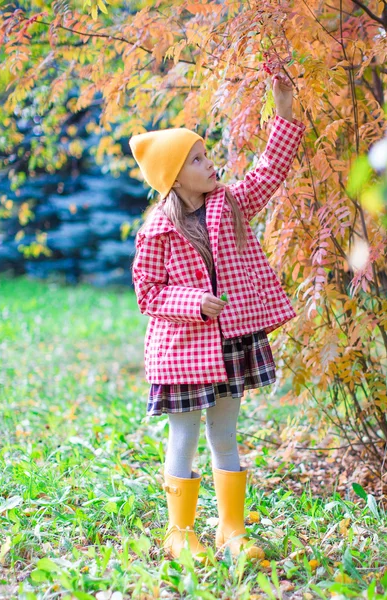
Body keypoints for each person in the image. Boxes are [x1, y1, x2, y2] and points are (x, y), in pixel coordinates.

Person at [129, 72, 306, 563]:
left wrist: (284, 109)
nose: (212, 166)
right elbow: (148, 294)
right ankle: (179, 532)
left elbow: (269, 172)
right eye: (199, 160)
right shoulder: (157, 231)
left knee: (225, 432)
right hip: (183, 351)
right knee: (183, 433)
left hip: (229, 342)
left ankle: (231, 531)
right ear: (174, 175)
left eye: (208, 156)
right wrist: (192, 302)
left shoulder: (228, 204)